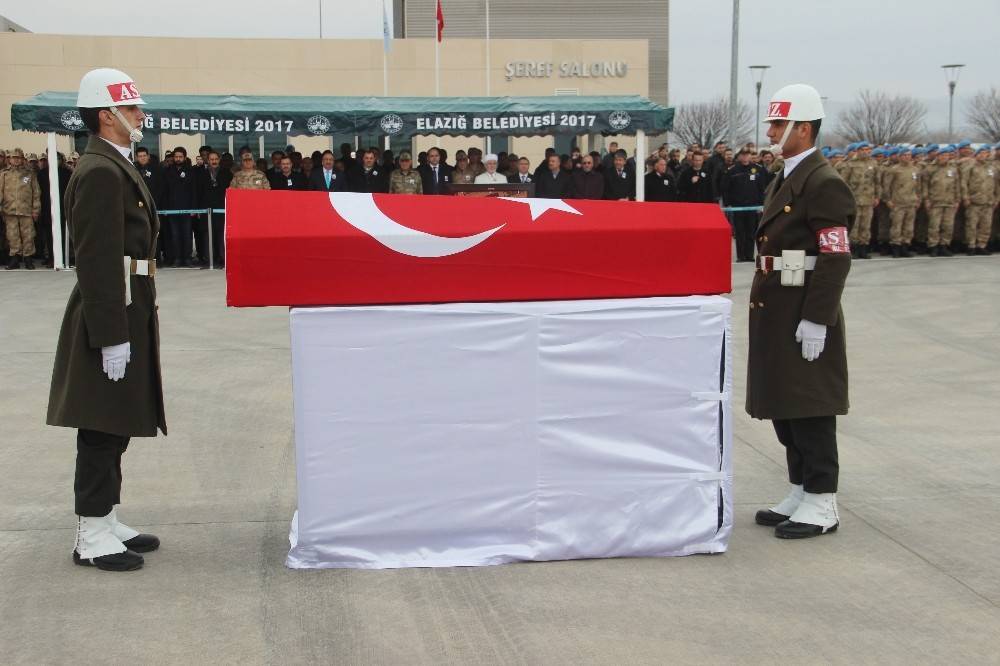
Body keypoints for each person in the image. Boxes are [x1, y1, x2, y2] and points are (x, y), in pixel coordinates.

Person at [47, 68, 164, 572]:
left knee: (116, 419)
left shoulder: (114, 163)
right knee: (99, 422)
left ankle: (106, 515)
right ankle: (90, 532)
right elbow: (95, 259)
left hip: (128, 302)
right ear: (106, 115)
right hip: (110, 308)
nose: (140, 116)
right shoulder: (98, 171)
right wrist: (111, 335)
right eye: (131, 108)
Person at [749, 83, 854, 540]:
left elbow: (835, 255)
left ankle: (823, 498)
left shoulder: (824, 182)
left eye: (778, 123)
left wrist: (818, 318)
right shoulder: (787, 176)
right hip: (778, 305)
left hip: (803, 307)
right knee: (785, 402)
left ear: (803, 129)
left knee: (810, 405)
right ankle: (800, 488)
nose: (771, 131)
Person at [721, 148, 767, 261]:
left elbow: (762, 189)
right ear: (740, 156)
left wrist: (761, 205)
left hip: (753, 207)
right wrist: (728, 204)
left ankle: (749, 255)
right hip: (738, 207)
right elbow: (726, 188)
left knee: (751, 232)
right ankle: (741, 256)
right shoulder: (733, 170)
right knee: (740, 233)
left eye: (748, 155)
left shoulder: (757, 169)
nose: (746, 157)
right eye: (743, 155)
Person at [0, 147, 41, 269]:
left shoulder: (29, 174)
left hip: (26, 211)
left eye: (18, 158)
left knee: (28, 235)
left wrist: (36, 210)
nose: (16, 160)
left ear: (23, 159)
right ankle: (15, 259)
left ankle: (28, 259)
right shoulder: (4, 174)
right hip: (10, 210)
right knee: (12, 236)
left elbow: (36, 193)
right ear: (10, 159)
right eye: (14, 158)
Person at [841, 142, 880, 258]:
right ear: (857, 151)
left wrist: (877, 196)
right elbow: (843, 182)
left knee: (866, 225)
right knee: (855, 225)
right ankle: (854, 248)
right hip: (855, 199)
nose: (865, 151)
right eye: (862, 149)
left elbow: (877, 182)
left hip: (868, 199)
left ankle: (864, 248)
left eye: (867, 149)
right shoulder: (850, 164)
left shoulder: (873, 163)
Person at [882, 147, 922, 257]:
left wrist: (919, 199)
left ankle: (905, 247)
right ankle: (896, 247)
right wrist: (888, 200)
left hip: (911, 202)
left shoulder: (915, 170)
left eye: (909, 155)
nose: (907, 157)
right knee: (896, 226)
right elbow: (886, 186)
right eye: (904, 155)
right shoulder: (894, 170)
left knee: (908, 227)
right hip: (897, 203)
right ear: (900, 157)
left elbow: (919, 187)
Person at [161, 147, 198, 267]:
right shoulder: (167, 171)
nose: (178, 159)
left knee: (187, 234)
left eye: (180, 157)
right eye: (176, 157)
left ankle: (187, 258)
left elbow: (193, 190)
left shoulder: (191, 171)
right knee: (175, 235)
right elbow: (165, 191)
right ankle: (177, 258)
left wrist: (193, 208)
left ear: (185, 157)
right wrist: (165, 208)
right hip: (172, 209)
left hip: (187, 208)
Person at [195, 150, 231, 267]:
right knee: (207, 235)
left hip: (221, 208)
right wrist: (199, 209)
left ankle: (222, 259)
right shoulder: (202, 173)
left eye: (216, 159)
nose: (214, 161)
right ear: (208, 160)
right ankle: (209, 259)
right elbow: (198, 192)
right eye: (211, 159)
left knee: (221, 235)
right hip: (206, 209)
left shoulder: (226, 173)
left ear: (219, 160)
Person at [961, 145, 998, 255]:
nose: (983, 155)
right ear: (976, 155)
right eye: (981, 153)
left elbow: (996, 184)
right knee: (972, 225)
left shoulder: (991, 168)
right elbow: (964, 182)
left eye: (986, 153)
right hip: (974, 201)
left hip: (988, 201)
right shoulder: (970, 166)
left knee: (985, 225)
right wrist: (965, 197)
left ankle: (981, 245)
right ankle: (971, 245)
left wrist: (996, 198)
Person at [923, 146, 960, 256]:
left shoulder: (953, 169)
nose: (944, 157)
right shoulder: (930, 169)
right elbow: (925, 185)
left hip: (949, 201)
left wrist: (957, 199)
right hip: (935, 202)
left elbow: (957, 185)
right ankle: (933, 246)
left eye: (946, 155)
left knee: (948, 225)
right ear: (938, 156)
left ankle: (944, 246)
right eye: (942, 155)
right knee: (934, 225)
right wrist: (926, 199)